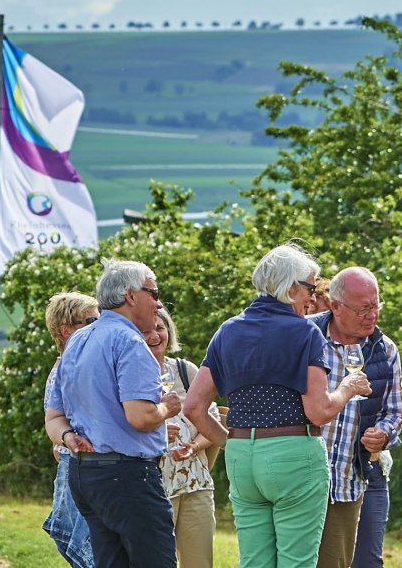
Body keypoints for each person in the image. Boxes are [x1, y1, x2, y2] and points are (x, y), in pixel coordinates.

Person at [183, 243, 371, 568]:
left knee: (254, 562)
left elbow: (194, 407)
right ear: (292, 287)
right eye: (311, 287)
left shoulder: (227, 330)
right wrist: (347, 387)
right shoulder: (304, 332)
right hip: (294, 455)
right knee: (296, 562)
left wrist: (232, 443)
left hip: (243, 458)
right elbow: (319, 411)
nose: (313, 298)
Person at [46, 260, 182, 568]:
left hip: (86, 475)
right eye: (154, 292)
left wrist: (69, 437)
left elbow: (53, 417)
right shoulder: (131, 342)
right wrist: (167, 407)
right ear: (131, 296)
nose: (158, 302)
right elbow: (140, 416)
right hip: (129, 477)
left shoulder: (78, 340)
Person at [308, 268, 402, 568]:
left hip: (346, 482)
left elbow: (395, 413)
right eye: (363, 308)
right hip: (297, 478)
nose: (372, 315)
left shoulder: (384, 349)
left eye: (376, 306)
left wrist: (384, 433)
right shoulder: (303, 335)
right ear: (335, 306)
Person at [144, 308, 219, 568]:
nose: (154, 335)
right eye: (146, 330)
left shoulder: (185, 370)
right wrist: (155, 436)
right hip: (152, 490)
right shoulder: (128, 374)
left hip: (196, 485)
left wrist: (193, 445)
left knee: (200, 563)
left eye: (160, 328)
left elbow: (213, 421)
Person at [41, 292, 101, 568]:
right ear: (66, 330)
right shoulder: (66, 368)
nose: (99, 326)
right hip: (80, 469)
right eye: (90, 320)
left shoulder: (75, 364)